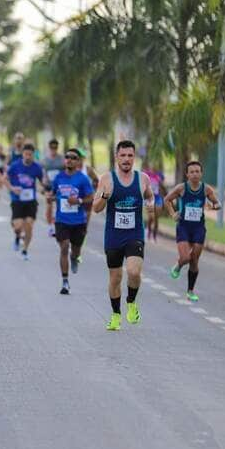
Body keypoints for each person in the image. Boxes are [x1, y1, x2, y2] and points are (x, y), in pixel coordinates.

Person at [93, 140, 156, 331]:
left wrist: (151, 204)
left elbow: (150, 196)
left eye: (130, 156)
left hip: (134, 233)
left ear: (134, 157)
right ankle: (115, 315)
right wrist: (105, 196)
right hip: (113, 235)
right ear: (116, 157)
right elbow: (96, 208)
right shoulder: (107, 179)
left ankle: (131, 301)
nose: (127, 159)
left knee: (134, 271)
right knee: (115, 277)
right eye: (123, 155)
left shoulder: (143, 178)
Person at [164, 161, 221, 302]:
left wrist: (212, 207)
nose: (195, 174)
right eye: (192, 172)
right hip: (183, 226)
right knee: (185, 258)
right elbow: (167, 200)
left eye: (197, 171)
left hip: (198, 228)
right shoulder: (181, 188)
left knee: (194, 260)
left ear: (201, 173)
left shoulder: (206, 189)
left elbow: (218, 204)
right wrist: (172, 214)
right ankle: (178, 265)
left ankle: (190, 291)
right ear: (187, 174)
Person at [47, 148, 95, 295]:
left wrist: (78, 200)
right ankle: (65, 281)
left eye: (73, 157)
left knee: (75, 251)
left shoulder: (82, 179)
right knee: (64, 247)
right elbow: (53, 193)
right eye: (67, 157)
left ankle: (75, 258)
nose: (69, 159)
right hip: (62, 220)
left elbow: (91, 197)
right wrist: (50, 198)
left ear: (78, 161)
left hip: (78, 222)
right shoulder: (59, 177)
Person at [5, 143, 45, 261]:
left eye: (30, 155)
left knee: (29, 225)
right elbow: (5, 179)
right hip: (17, 200)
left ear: (33, 155)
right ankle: (17, 236)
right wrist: (12, 188)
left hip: (31, 201)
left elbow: (42, 181)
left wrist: (44, 189)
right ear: (22, 154)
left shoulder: (37, 167)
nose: (28, 157)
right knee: (18, 226)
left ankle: (25, 250)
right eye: (26, 154)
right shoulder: (15, 166)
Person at [42, 138, 64, 237]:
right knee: (49, 206)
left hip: (60, 187)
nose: (53, 149)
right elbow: (42, 173)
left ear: (57, 148)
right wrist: (43, 183)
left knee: (59, 206)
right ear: (49, 148)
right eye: (52, 147)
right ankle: (50, 227)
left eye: (55, 147)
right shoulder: (45, 160)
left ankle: (57, 225)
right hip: (49, 186)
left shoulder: (62, 159)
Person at [143, 162, 166, 241]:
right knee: (151, 217)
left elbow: (162, 187)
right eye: (152, 166)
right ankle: (148, 232)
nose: (153, 167)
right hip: (149, 198)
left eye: (155, 166)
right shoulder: (146, 175)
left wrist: (160, 183)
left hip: (158, 198)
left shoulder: (159, 176)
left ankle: (154, 236)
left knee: (156, 218)